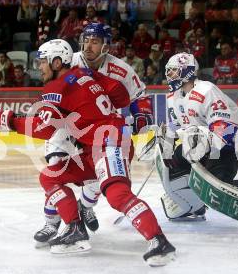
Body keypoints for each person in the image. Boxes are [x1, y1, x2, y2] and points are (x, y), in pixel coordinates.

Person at [0, 39, 175, 266]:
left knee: (116, 194)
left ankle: (158, 241)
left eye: (42, 62)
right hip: (97, 146)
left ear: (57, 62)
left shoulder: (56, 87)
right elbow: (121, 96)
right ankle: (75, 229)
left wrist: (10, 122)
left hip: (109, 143)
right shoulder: (85, 73)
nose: (39, 67)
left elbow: (45, 130)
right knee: (50, 176)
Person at [33, 22, 153, 248]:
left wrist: (141, 116)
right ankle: (52, 221)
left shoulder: (121, 70)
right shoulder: (71, 59)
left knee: (98, 177)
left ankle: (84, 207)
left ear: (106, 46)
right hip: (66, 125)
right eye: (85, 41)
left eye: (95, 42)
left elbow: (140, 95)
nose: (88, 46)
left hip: (100, 129)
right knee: (55, 169)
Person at [160, 52, 238, 236]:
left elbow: (226, 125)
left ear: (187, 72)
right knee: (173, 162)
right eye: (169, 72)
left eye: (174, 71)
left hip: (228, 144)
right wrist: (169, 136)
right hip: (198, 144)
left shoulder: (206, 90)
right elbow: (179, 123)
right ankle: (193, 205)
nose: (169, 76)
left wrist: (206, 144)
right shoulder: (174, 96)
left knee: (217, 184)